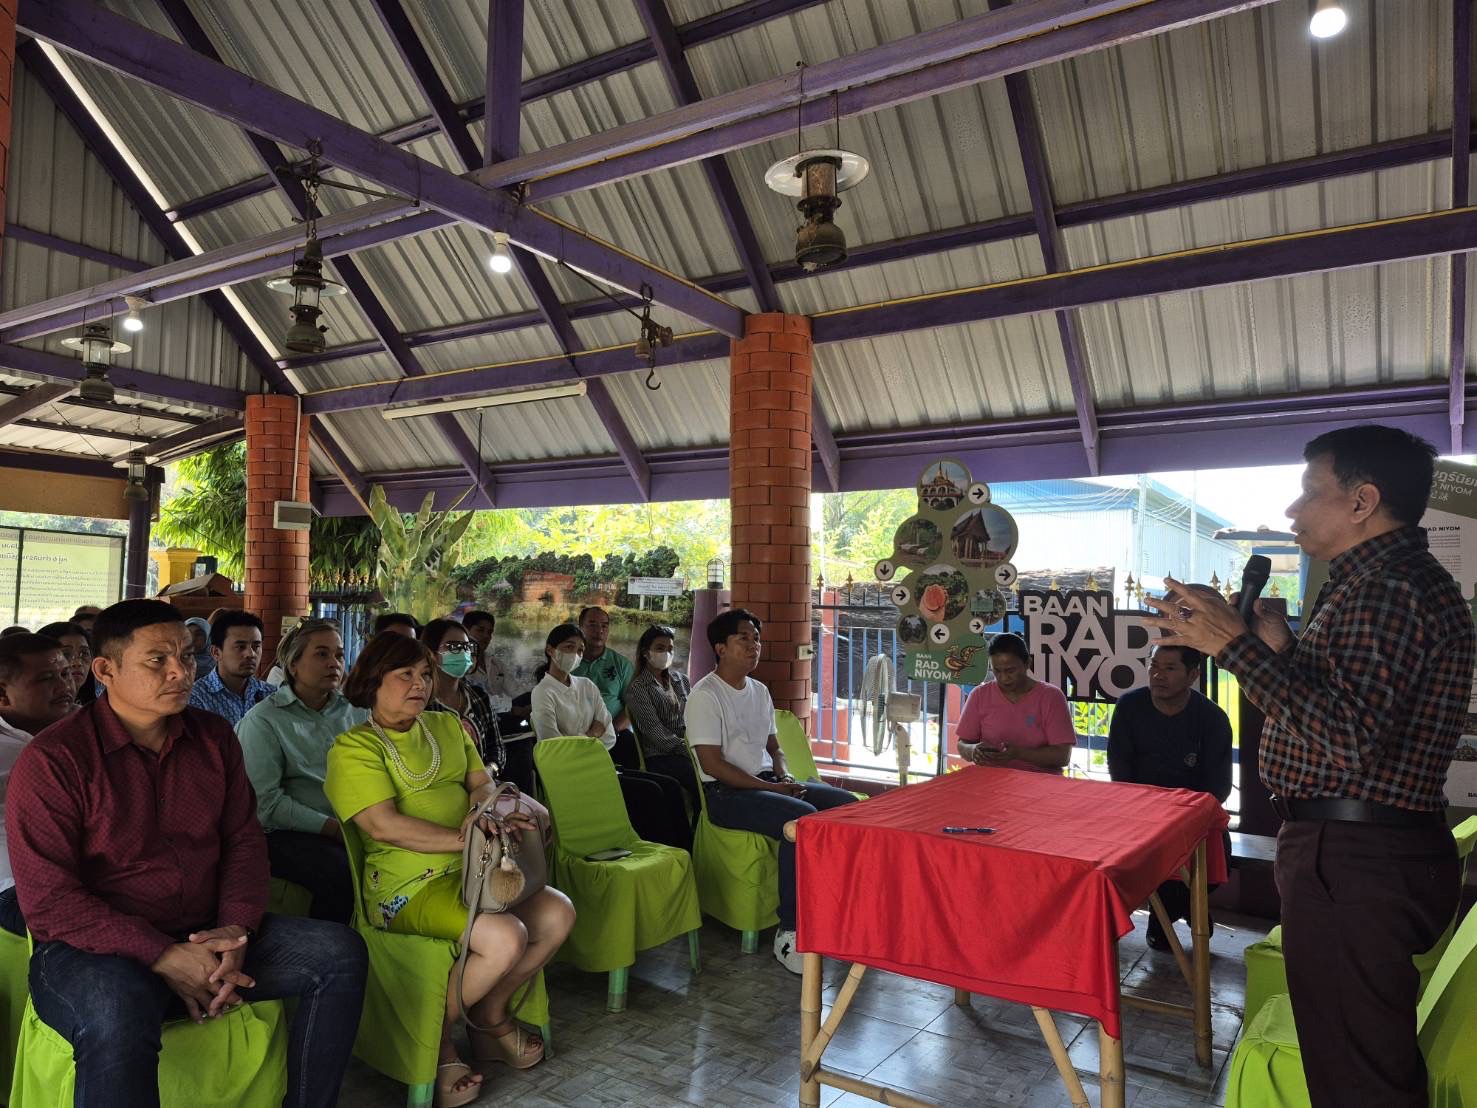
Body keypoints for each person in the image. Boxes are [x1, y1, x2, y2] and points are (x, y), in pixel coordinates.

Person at [1144, 425, 1475, 1108]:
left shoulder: (1387, 590)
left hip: (1355, 858)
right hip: (1359, 853)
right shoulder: (1376, 584)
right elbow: (1344, 713)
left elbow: (1346, 739)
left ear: (1362, 501)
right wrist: (1278, 647)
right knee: (1354, 1059)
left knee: (1356, 1078)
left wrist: (1233, 646)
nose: (1291, 512)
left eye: (1306, 492)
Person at [5, 600, 366, 1108]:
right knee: (117, 1010)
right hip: (95, 951)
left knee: (338, 954)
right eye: (157, 660)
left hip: (204, 928)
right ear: (105, 670)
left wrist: (237, 930)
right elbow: (49, 902)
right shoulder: (56, 760)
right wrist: (163, 954)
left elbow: (243, 842)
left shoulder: (213, 737)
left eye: (187, 656)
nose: (180, 672)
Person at [326, 633, 574, 1107]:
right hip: (407, 886)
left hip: (476, 869)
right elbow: (385, 826)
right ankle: (436, 1046)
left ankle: (490, 1016)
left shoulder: (448, 728)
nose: (419, 684)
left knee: (558, 913)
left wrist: (495, 812)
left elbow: (483, 786)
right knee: (505, 937)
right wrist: (466, 837)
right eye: (405, 675)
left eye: (424, 673)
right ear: (373, 681)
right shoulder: (353, 749)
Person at [687, 608, 858, 973]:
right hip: (726, 795)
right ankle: (791, 931)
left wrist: (782, 777)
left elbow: (774, 748)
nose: (754, 646)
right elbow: (712, 765)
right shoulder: (705, 696)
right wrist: (770, 787)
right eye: (743, 639)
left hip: (764, 784)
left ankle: (838, 911)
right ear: (720, 647)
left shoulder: (760, 690)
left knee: (845, 806)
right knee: (802, 819)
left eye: (756, 639)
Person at [237, 619, 364, 925]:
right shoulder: (265, 721)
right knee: (338, 870)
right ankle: (329, 953)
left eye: (339, 655)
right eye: (321, 654)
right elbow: (266, 805)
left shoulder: (355, 711)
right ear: (293, 665)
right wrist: (333, 828)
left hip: (354, 822)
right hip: (284, 833)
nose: (333, 663)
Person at [1107, 642, 1233, 950]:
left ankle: (1177, 907)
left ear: (1192, 675)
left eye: (1169, 668)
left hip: (1192, 817)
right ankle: (1178, 909)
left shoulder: (1212, 719)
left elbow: (1219, 788)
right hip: (1138, 814)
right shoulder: (1129, 707)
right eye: (1153, 667)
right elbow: (1119, 771)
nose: (1157, 675)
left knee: (1215, 857)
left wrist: (1181, 816)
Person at [532, 623, 691, 850]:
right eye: (569, 647)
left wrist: (585, 737)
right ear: (550, 650)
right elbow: (552, 746)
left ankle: (684, 852)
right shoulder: (543, 692)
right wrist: (591, 734)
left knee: (668, 786)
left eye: (579, 650)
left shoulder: (586, 686)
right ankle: (658, 850)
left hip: (599, 764)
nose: (575, 654)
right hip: (570, 773)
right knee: (651, 792)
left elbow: (609, 734)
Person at [0, 633, 77, 936]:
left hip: (81, 879)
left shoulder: (77, 730)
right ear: (2, 694)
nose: (65, 686)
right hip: (14, 889)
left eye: (65, 673)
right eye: (46, 679)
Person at [955, 633, 1075, 774]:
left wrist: (1019, 754)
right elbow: (963, 744)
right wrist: (972, 750)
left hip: (1040, 781)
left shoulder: (1051, 697)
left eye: (1010, 671)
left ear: (1027, 663)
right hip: (990, 780)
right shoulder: (980, 695)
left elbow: (1062, 756)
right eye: (997, 671)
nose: (1004, 678)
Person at [624, 624, 700, 815]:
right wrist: (689, 749)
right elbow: (656, 734)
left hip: (690, 749)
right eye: (660, 648)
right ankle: (695, 835)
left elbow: (695, 717)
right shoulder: (638, 688)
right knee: (702, 778)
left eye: (670, 649)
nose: (666, 653)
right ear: (645, 652)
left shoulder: (681, 680)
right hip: (661, 756)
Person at [421, 618, 504, 773]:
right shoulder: (422, 702)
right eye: (453, 647)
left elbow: (497, 746)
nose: (463, 653)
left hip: (486, 786)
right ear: (431, 653)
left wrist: (490, 769)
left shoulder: (478, 698)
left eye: (467, 647)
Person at [571, 607, 640, 767]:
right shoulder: (569, 662)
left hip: (614, 733)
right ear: (580, 627)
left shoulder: (621, 665)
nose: (599, 631)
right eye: (593, 625)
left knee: (631, 750)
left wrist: (613, 729)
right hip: (575, 735)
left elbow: (632, 705)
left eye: (604, 626)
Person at [188, 611, 275, 726]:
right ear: (216, 652)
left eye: (256, 646)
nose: (251, 654)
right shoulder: (196, 698)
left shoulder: (271, 695)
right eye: (240, 647)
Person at [36, 620, 97, 706]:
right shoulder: (34, 710)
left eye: (85, 653)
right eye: (65, 654)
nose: (77, 663)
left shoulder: (96, 705)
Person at [461, 609, 510, 707]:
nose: (486, 636)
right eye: (480, 630)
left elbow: (515, 690)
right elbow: (472, 699)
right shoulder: (459, 664)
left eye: (490, 632)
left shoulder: (496, 663)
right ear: (465, 631)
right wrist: (512, 709)